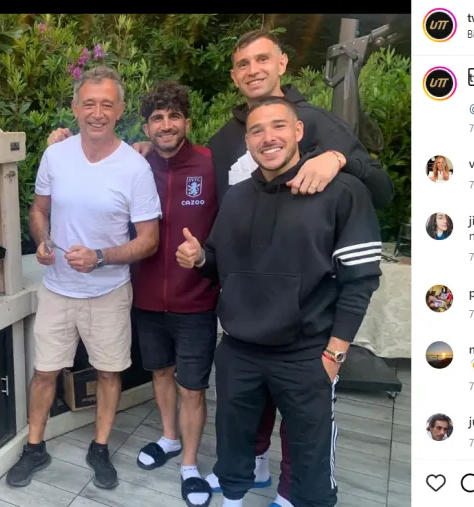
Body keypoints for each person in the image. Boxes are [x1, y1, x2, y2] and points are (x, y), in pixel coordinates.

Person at [49, 29, 396, 507]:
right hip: (213, 317)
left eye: (262, 59)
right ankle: (232, 470)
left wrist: (338, 158)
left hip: (272, 322)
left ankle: (291, 491)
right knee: (226, 408)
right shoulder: (187, 155)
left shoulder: (313, 133)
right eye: (244, 64)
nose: (266, 137)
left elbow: (377, 195)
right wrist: (66, 143)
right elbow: (220, 228)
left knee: (301, 425)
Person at [176, 96, 382, 507]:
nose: (268, 137)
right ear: (248, 141)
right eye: (256, 130)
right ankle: (233, 497)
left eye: (278, 126)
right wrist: (200, 258)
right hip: (239, 349)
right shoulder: (236, 197)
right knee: (233, 443)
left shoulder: (341, 192)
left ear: (299, 132)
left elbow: (360, 280)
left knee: (310, 457)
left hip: (306, 353)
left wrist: (335, 353)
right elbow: (221, 265)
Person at [50, 81, 220, 506]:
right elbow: (91, 167)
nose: (166, 125)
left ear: (187, 121)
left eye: (174, 116)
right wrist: (63, 140)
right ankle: (168, 439)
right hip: (145, 295)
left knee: (193, 388)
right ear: (145, 124)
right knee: (160, 373)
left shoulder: (210, 165)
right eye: (157, 118)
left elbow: (233, 225)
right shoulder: (136, 161)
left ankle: (191, 465)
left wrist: (209, 258)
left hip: (195, 296)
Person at [6, 65, 162, 491]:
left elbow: (149, 239)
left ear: (120, 110)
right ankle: (34, 448)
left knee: (109, 373)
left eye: (107, 104)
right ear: (75, 108)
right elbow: (38, 210)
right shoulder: (56, 154)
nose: (98, 112)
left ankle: (100, 446)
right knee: (44, 373)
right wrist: (42, 239)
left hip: (109, 292)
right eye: (89, 103)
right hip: (57, 289)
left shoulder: (134, 168)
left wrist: (100, 257)